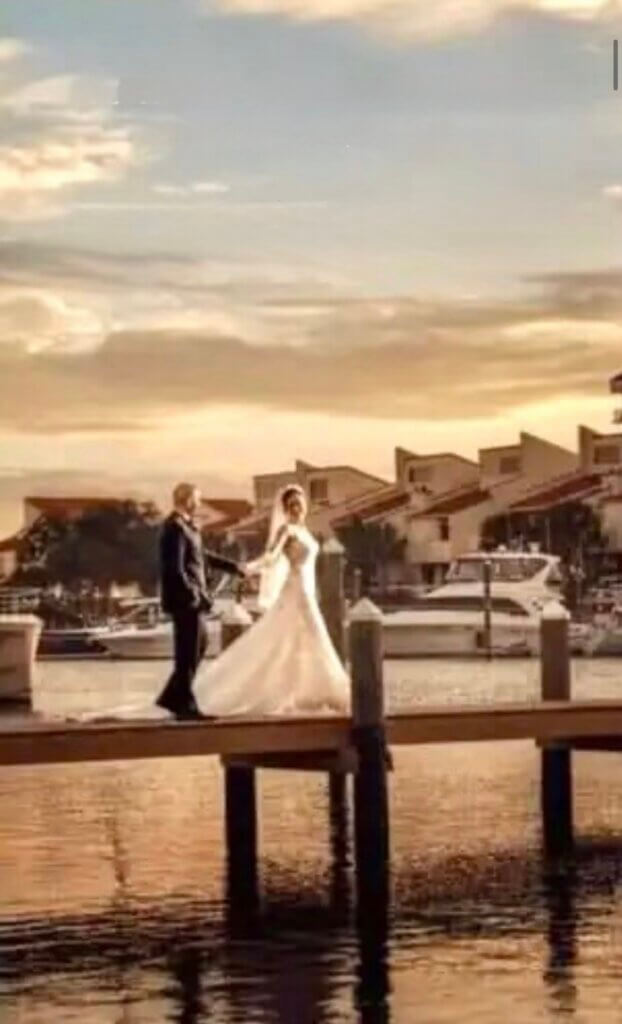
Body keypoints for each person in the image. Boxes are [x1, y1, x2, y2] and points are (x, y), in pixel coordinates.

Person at [193, 483, 350, 716]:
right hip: (295, 589)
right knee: (301, 639)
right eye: (292, 505)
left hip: (307, 591)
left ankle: (312, 694)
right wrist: (247, 568)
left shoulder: (305, 531)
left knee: (303, 642)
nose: (297, 508)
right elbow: (270, 558)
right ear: (285, 509)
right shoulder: (286, 530)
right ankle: (306, 693)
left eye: (299, 503)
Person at [155, 482, 245, 719]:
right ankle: (185, 706)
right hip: (185, 601)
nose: (199, 503)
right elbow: (175, 569)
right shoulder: (174, 527)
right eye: (197, 499)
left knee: (198, 645)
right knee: (188, 653)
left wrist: (233, 567)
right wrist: (196, 595)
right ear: (187, 500)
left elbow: (201, 556)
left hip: (192, 601)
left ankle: (173, 698)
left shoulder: (186, 526)